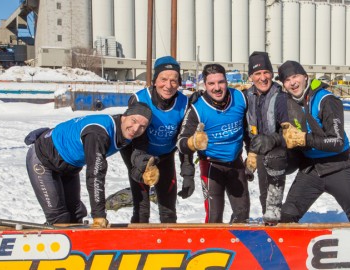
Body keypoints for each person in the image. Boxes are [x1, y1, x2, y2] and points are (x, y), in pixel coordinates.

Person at [25, 102, 152, 227]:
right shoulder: (98, 133)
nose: (136, 129)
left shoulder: (129, 132)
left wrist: (145, 168)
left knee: (76, 214)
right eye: (133, 121)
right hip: (43, 159)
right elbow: (95, 175)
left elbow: (138, 155)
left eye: (142, 126)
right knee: (59, 217)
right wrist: (99, 215)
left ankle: (76, 246)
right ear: (124, 117)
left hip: (70, 166)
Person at [277, 60, 350, 223]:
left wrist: (304, 139)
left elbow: (337, 142)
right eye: (287, 80)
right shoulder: (287, 103)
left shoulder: (326, 100)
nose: (292, 83)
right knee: (286, 217)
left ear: (305, 77)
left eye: (295, 76)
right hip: (311, 169)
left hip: (338, 166)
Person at [120, 56, 194, 223]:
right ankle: (138, 246)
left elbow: (185, 140)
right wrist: (140, 163)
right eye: (163, 79)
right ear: (154, 81)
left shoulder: (184, 103)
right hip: (138, 153)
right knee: (142, 208)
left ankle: (170, 247)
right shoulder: (140, 99)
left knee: (168, 210)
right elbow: (133, 134)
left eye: (174, 81)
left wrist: (188, 173)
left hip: (165, 155)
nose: (168, 85)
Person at [177, 63, 250, 223]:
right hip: (211, 167)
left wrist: (252, 154)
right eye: (211, 83)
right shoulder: (197, 108)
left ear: (226, 82)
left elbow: (249, 129)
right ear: (205, 85)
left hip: (236, 164)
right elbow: (181, 143)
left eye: (221, 82)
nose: (217, 88)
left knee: (242, 216)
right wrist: (192, 143)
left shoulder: (240, 98)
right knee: (214, 218)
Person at [244, 51, 294, 223]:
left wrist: (273, 139)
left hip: (280, 153)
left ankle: (275, 221)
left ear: (272, 74)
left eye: (266, 72)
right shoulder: (248, 96)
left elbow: (290, 133)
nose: (263, 78)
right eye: (257, 73)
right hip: (260, 151)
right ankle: (269, 225)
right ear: (251, 76)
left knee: (273, 197)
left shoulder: (281, 97)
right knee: (264, 193)